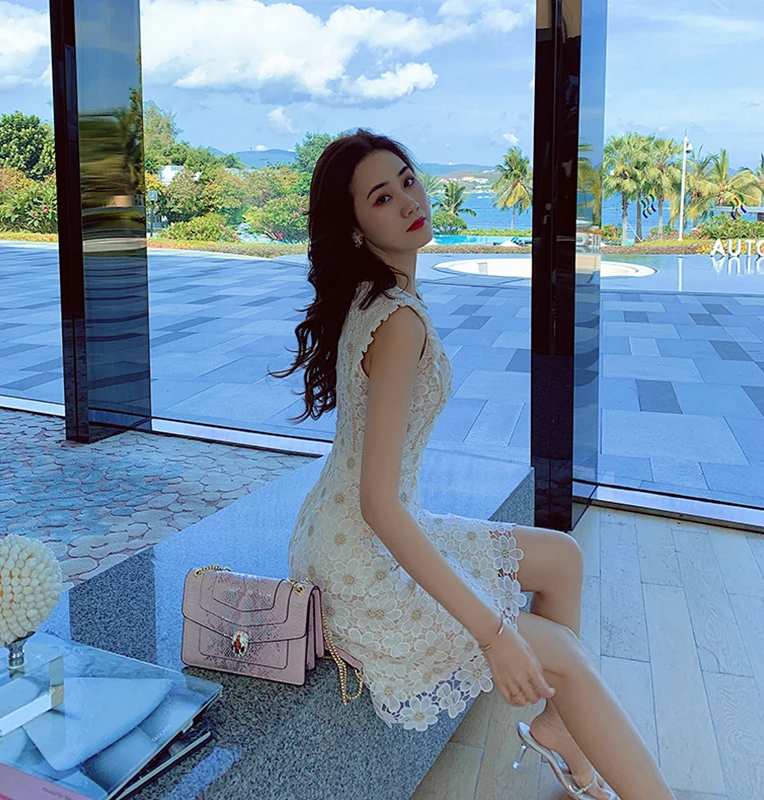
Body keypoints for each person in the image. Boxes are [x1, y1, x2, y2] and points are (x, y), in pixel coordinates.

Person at [272, 129, 675, 800]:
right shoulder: (397, 320)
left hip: (345, 531)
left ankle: (560, 728)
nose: (409, 200)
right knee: (567, 658)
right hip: (362, 563)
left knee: (562, 559)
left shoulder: (376, 298)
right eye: (381, 196)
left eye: (407, 179)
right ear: (355, 228)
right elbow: (379, 504)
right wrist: (494, 633)